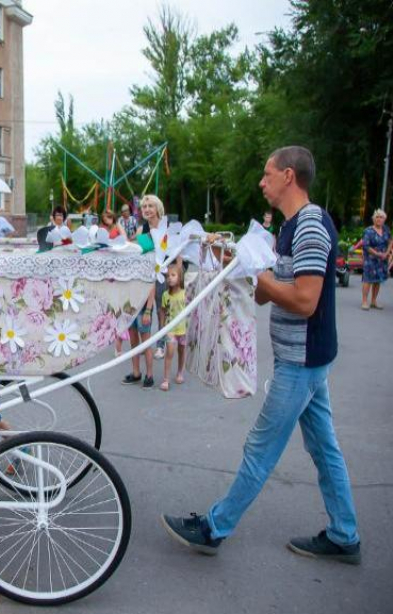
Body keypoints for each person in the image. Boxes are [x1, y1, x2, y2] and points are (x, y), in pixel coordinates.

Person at [161, 146, 361, 565]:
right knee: (324, 449)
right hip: (307, 357)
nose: (261, 181)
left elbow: (304, 300)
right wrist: (238, 267)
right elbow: (270, 295)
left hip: (302, 359)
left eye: (267, 174)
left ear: (288, 176)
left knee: (260, 447)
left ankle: (214, 528)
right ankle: (344, 535)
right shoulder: (291, 227)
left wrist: (258, 276)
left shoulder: (308, 226)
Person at [138, 195, 168, 359]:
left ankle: (161, 344)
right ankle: (146, 343)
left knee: (161, 310)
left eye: (150, 206)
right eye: (144, 206)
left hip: (163, 274)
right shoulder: (141, 230)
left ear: (158, 208)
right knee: (145, 309)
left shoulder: (166, 227)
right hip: (147, 275)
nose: (147, 209)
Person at [160, 264, 187, 391]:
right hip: (170, 328)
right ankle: (166, 379)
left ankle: (180, 371)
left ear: (180, 277)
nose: (169, 278)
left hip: (183, 329)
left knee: (181, 351)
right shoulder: (166, 295)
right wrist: (162, 326)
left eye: (173, 275)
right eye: (167, 276)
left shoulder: (185, 293)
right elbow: (163, 310)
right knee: (169, 352)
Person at [360, 209, 390, 310]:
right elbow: (366, 246)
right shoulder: (368, 231)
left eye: (381, 217)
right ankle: (364, 301)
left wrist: (387, 253)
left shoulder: (386, 230)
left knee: (378, 280)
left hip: (382, 259)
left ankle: (373, 301)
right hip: (370, 259)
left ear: (384, 219)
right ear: (373, 219)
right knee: (368, 280)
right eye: (377, 217)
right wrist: (377, 253)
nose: (379, 219)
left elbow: (391, 241)